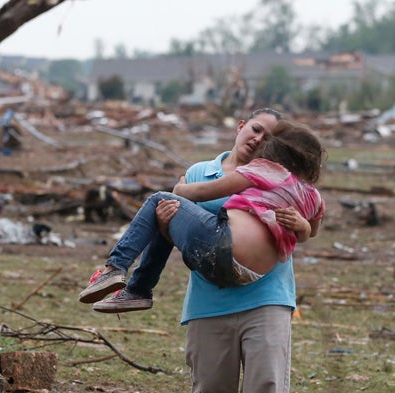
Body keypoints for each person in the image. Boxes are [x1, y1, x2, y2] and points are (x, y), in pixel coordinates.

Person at [78, 117, 325, 318]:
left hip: (223, 250)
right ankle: (137, 289)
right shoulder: (313, 195)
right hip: (247, 275)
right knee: (170, 213)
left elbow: (204, 192)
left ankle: (118, 270)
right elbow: (312, 232)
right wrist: (303, 226)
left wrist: (180, 188)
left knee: (160, 201)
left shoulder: (264, 169)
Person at [170, 108, 310, 393]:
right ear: (241, 126)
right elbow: (178, 227)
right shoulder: (199, 173)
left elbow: (308, 226)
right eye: (256, 129)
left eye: (268, 137)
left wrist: (303, 225)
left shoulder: (286, 179)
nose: (259, 139)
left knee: (265, 385)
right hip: (209, 301)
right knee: (210, 386)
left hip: (266, 300)